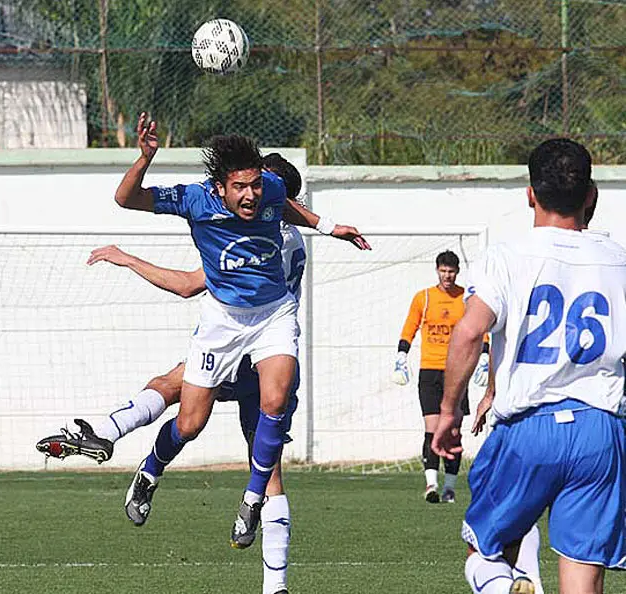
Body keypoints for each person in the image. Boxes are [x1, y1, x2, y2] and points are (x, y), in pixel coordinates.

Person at [113, 113, 370, 551]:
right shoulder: (194, 200)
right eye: (240, 187)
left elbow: (283, 203)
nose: (251, 195)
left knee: (276, 399)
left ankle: (252, 499)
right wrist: (145, 158)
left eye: (255, 185)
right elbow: (126, 199)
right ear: (220, 187)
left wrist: (330, 227)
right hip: (222, 322)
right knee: (190, 423)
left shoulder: (269, 189)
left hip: (273, 314)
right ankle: (150, 469)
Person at [433, 139, 626, 594]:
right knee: (582, 572)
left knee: (485, 551)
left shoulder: (507, 257)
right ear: (591, 195)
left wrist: (449, 411)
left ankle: (505, 589)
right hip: (599, 431)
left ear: (530, 194)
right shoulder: (620, 262)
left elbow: (466, 334)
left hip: (528, 427)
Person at [392, 250, 489, 503]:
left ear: (457, 272)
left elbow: (480, 327)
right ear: (437, 270)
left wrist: (486, 356)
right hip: (429, 371)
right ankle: (431, 485)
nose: (447, 275)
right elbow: (410, 326)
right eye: (443, 271)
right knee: (432, 429)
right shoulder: (423, 298)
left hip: (458, 371)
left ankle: (450, 487)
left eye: (451, 271)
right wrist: (401, 355)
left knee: (453, 430)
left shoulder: (466, 299)